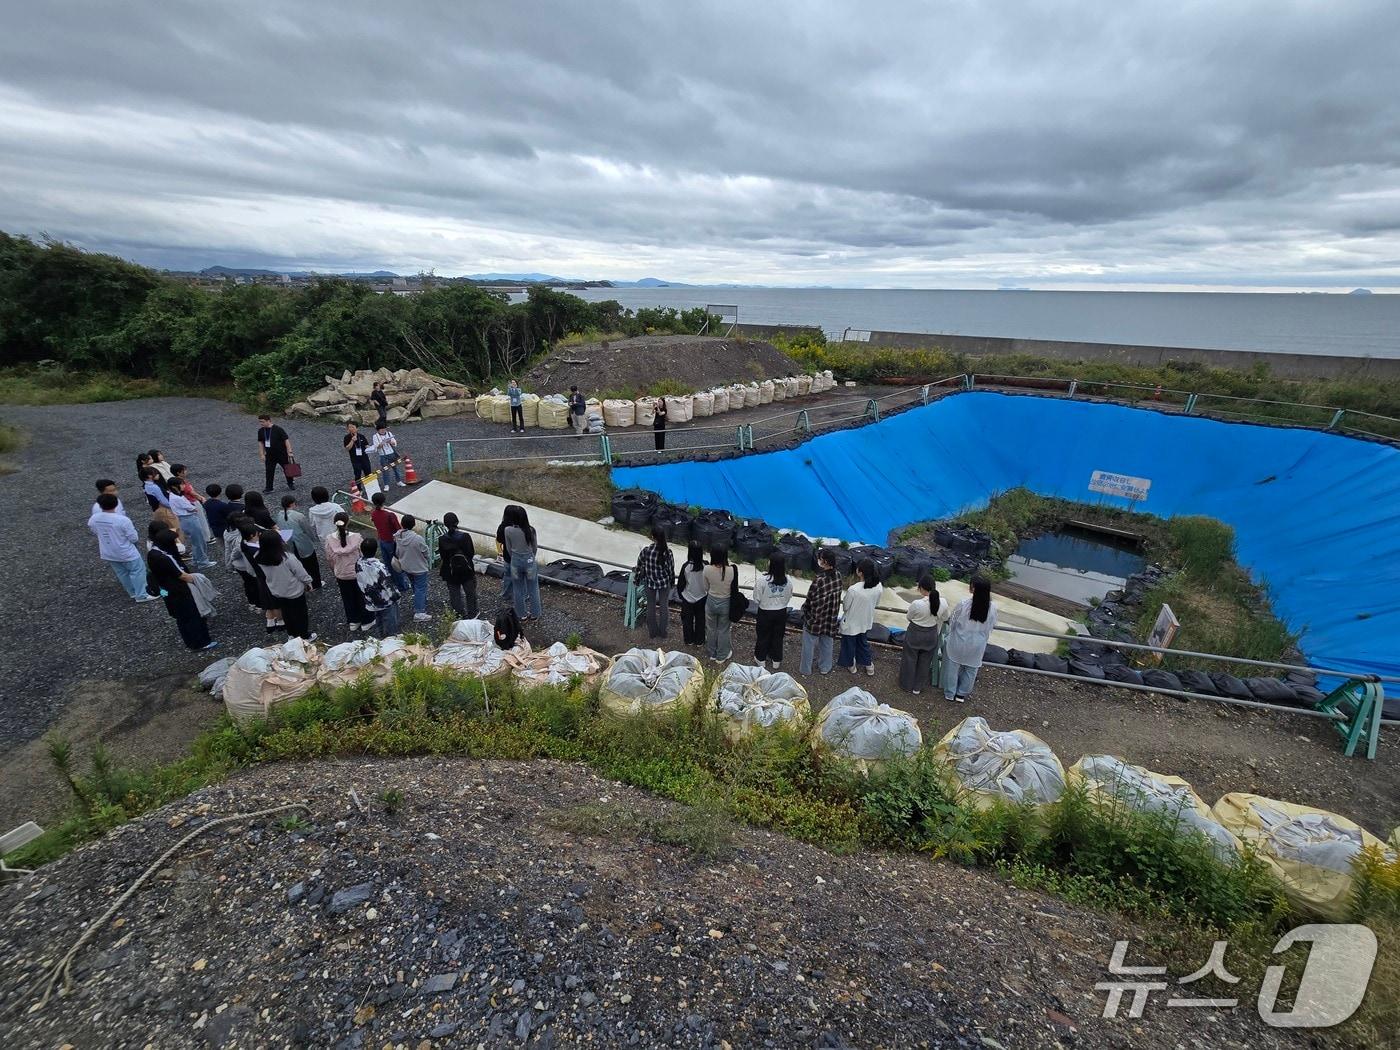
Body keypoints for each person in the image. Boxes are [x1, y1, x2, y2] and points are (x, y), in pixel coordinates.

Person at [147, 528, 216, 651]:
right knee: (192, 616)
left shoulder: (152, 553)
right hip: (179, 591)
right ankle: (200, 642)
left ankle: (190, 642)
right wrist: (198, 579)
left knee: (180, 617)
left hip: (165, 591)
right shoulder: (164, 558)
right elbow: (183, 576)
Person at [89, 493, 156, 603]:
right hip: (126, 551)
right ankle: (142, 594)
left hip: (108, 551)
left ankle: (133, 592)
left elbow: (94, 530)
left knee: (122, 573)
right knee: (137, 571)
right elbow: (134, 538)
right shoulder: (122, 520)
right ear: (116, 504)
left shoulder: (94, 518)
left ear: (100, 505)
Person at [943, 576, 999, 704]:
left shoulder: (964, 604)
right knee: (971, 670)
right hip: (978, 644)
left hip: (959, 640)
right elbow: (991, 626)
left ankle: (949, 693)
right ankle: (961, 694)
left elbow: (953, 621)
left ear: (974, 589)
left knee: (952, 667)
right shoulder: (992, 608)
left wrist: (950, 633)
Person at [257, 529, 315, 640]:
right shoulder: (287, 557)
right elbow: (300, 572)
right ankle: (304, 635)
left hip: (277, 590)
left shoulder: (259, 557)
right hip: (294, 590)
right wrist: (308, 582)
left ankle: (291, 634)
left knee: (286, 613)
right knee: (300, 613)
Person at [899, 576, 950, 695]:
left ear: (921, 588)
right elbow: (945, 618)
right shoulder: (943, 602)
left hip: (915, 633)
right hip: (931, 634)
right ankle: (918, 687)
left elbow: (909, 617)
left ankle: (906, 685)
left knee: (909, 658)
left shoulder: (917, 603)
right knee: (925, 661)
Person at [326, 512, 375, 633]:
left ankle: (353, 621)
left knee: (347, 598)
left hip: (341, 573)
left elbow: (329, 557)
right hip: (357, 572)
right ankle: (366, 621)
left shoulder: (329, 539)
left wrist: (334, 569)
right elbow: (363, 554)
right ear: (348, 522)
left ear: (335, 523)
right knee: (362, 596)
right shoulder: (356, 537)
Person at [838, 558, 884, 676]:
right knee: (863, 643)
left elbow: (845, 607)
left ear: (860, 572)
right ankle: (869, 666)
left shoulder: (854, 589)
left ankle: (851, 666)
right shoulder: (878, 586)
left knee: (849, 645)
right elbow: (876, 604)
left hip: (851, 622)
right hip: (865, 621)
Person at [799, 548, 841, 675]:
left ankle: (805, 670)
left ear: (825, 562)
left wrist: (805, 611)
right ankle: (825, 667)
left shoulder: (819, 580)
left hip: (816, 618)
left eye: (820, 559)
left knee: (808, 645)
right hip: (830, 617)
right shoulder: (838, 575)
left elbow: (810, 599)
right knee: (827, 643)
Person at [239, 519, 282, 633]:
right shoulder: (256, 550)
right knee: (274, 600)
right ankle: (281, 621)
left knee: (266, 598)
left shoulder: (244, 544)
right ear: (252, 535)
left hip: (259, 575)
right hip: (266, 574)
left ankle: (270, 622)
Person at [633, 525, 675, 639]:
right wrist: (672, 582)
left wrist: (636, 580)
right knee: (664, 607)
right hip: (664, 584)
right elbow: (671, 570)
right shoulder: (668, 553)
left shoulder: (646, 551)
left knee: (650, 606)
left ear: (652, 537)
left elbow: (639, 567)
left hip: (650, 583)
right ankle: (663, 632)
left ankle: (652, 632)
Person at [752, 553, 793, 670]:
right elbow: (790, 595)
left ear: (771, 564)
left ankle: (761, 659)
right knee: (778, 636)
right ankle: (776, 660)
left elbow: (756, 598)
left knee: (763, 635)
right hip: (781, 612)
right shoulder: (788, 580)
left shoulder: (763, 580)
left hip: (765, 612)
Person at [502, 504, 541, 621]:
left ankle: (521, 614)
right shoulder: (531, 530)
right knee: (533, 588)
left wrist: (515, 556)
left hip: (515, 561)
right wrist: (530, 557)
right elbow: (535, 548)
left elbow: (508, 548)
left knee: (518, 588)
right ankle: (535, 614)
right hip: (529, 561)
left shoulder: (508, 530)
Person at [357, 536, 402, 638]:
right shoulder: (379, 567)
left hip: (370, 599)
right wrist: (397, 596)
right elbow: (388, 585)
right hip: (385, 600)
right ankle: (391, 640)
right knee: (390, 622)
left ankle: (380, 637)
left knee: (379, 619)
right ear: (375, 550)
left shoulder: (359, 563)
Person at [276, 494, 324, 589]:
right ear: (292, 504)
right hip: (303, 544)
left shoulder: (279, 516)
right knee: (312, 565)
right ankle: (316, 584)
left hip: (289, 545)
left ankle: (304, 584)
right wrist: (314, 538)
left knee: (298, 566)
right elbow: (307, 529)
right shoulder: (298, 516)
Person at [437, 512, 478, 618]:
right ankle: (472, 613)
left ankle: (459, 614)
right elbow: (471, 553)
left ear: (445, 524)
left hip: (449, 570)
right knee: (470, 592)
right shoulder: (465, 536)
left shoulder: (442, 539)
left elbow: (443, 556)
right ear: (457, 522)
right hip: (466, 569)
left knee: (454, 593)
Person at [168, 479, 215, 569]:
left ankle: (196, 560)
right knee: (199, 542)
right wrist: (194, 508)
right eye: (181, 484)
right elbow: (191, 508)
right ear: (174, 486)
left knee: (195, 541)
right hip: (189, 519)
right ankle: (203, 562)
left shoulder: (174, 495)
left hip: (184, 520)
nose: (183, 486)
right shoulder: (177, 498)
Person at [393, 514, 431, 622]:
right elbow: (426, 552)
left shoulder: (397, 537)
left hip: (405, 566)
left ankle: (420, 600)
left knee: (415, 586)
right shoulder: (417, 538)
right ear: (413, 524)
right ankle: (419, 611)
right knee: (420, 587)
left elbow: (396, 552)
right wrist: (428, 560)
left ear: (402, 524)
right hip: (419, 567)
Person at [370, 492, 409, 590]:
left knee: (387, 564)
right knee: (396, 565)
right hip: (392, 542)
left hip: (382, 540)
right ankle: (402, 586)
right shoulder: (390, 515)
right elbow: (398, 529)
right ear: (384, 501)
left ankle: (392, 582)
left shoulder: (374, 514)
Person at [224, 512, 262, 612]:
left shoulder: (226, 532)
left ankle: (251, 602)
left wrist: (229, 564)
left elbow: (228, 550)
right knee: (255, 584)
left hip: (239, 565)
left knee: (248, 584)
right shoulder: (243, 535)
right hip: (248, 564)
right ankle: (259, 604)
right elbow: (236, 552)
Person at [703, 547, 735, 663]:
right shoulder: (731, 570)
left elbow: (705, 587)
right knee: (723, 630)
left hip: (711, 601)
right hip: (725, 602)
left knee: (711, 629)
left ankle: (712, 653)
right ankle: (721, 656)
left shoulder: (706, 569)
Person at [676, 541, 707, 647]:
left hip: (688, 598)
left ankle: (688, 640)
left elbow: (680, 584)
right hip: (702, 598)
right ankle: (699, 640)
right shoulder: (705, 566)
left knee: (687, 621)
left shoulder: (686, 567)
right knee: (700, 620)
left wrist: (681, 596)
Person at [256, 414, 296, 493]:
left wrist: (290, 452)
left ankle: (290, 483)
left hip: (282, 454)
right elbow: (261, 443)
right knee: (269, 471)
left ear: (268, 421)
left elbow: (286, 440)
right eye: (260, 422)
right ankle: (269, 488)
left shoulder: (278, 429)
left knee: (287, 469)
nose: (261, 423)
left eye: (263, 422)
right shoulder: (261, 431)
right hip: (270, 455)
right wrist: (262, 454)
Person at [369, 421, 405, 487]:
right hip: (383, 455)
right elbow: (377, 447)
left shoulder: (389, 433)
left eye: (384, 429)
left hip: (392, 454)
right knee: (385, 470)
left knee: (395, 468)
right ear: (378, 430)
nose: (383, 430)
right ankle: (386, 485)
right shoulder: (375, 436)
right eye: (381, 429)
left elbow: (394, 443)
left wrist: (390, 442)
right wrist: (382, 443)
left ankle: (399, 481)